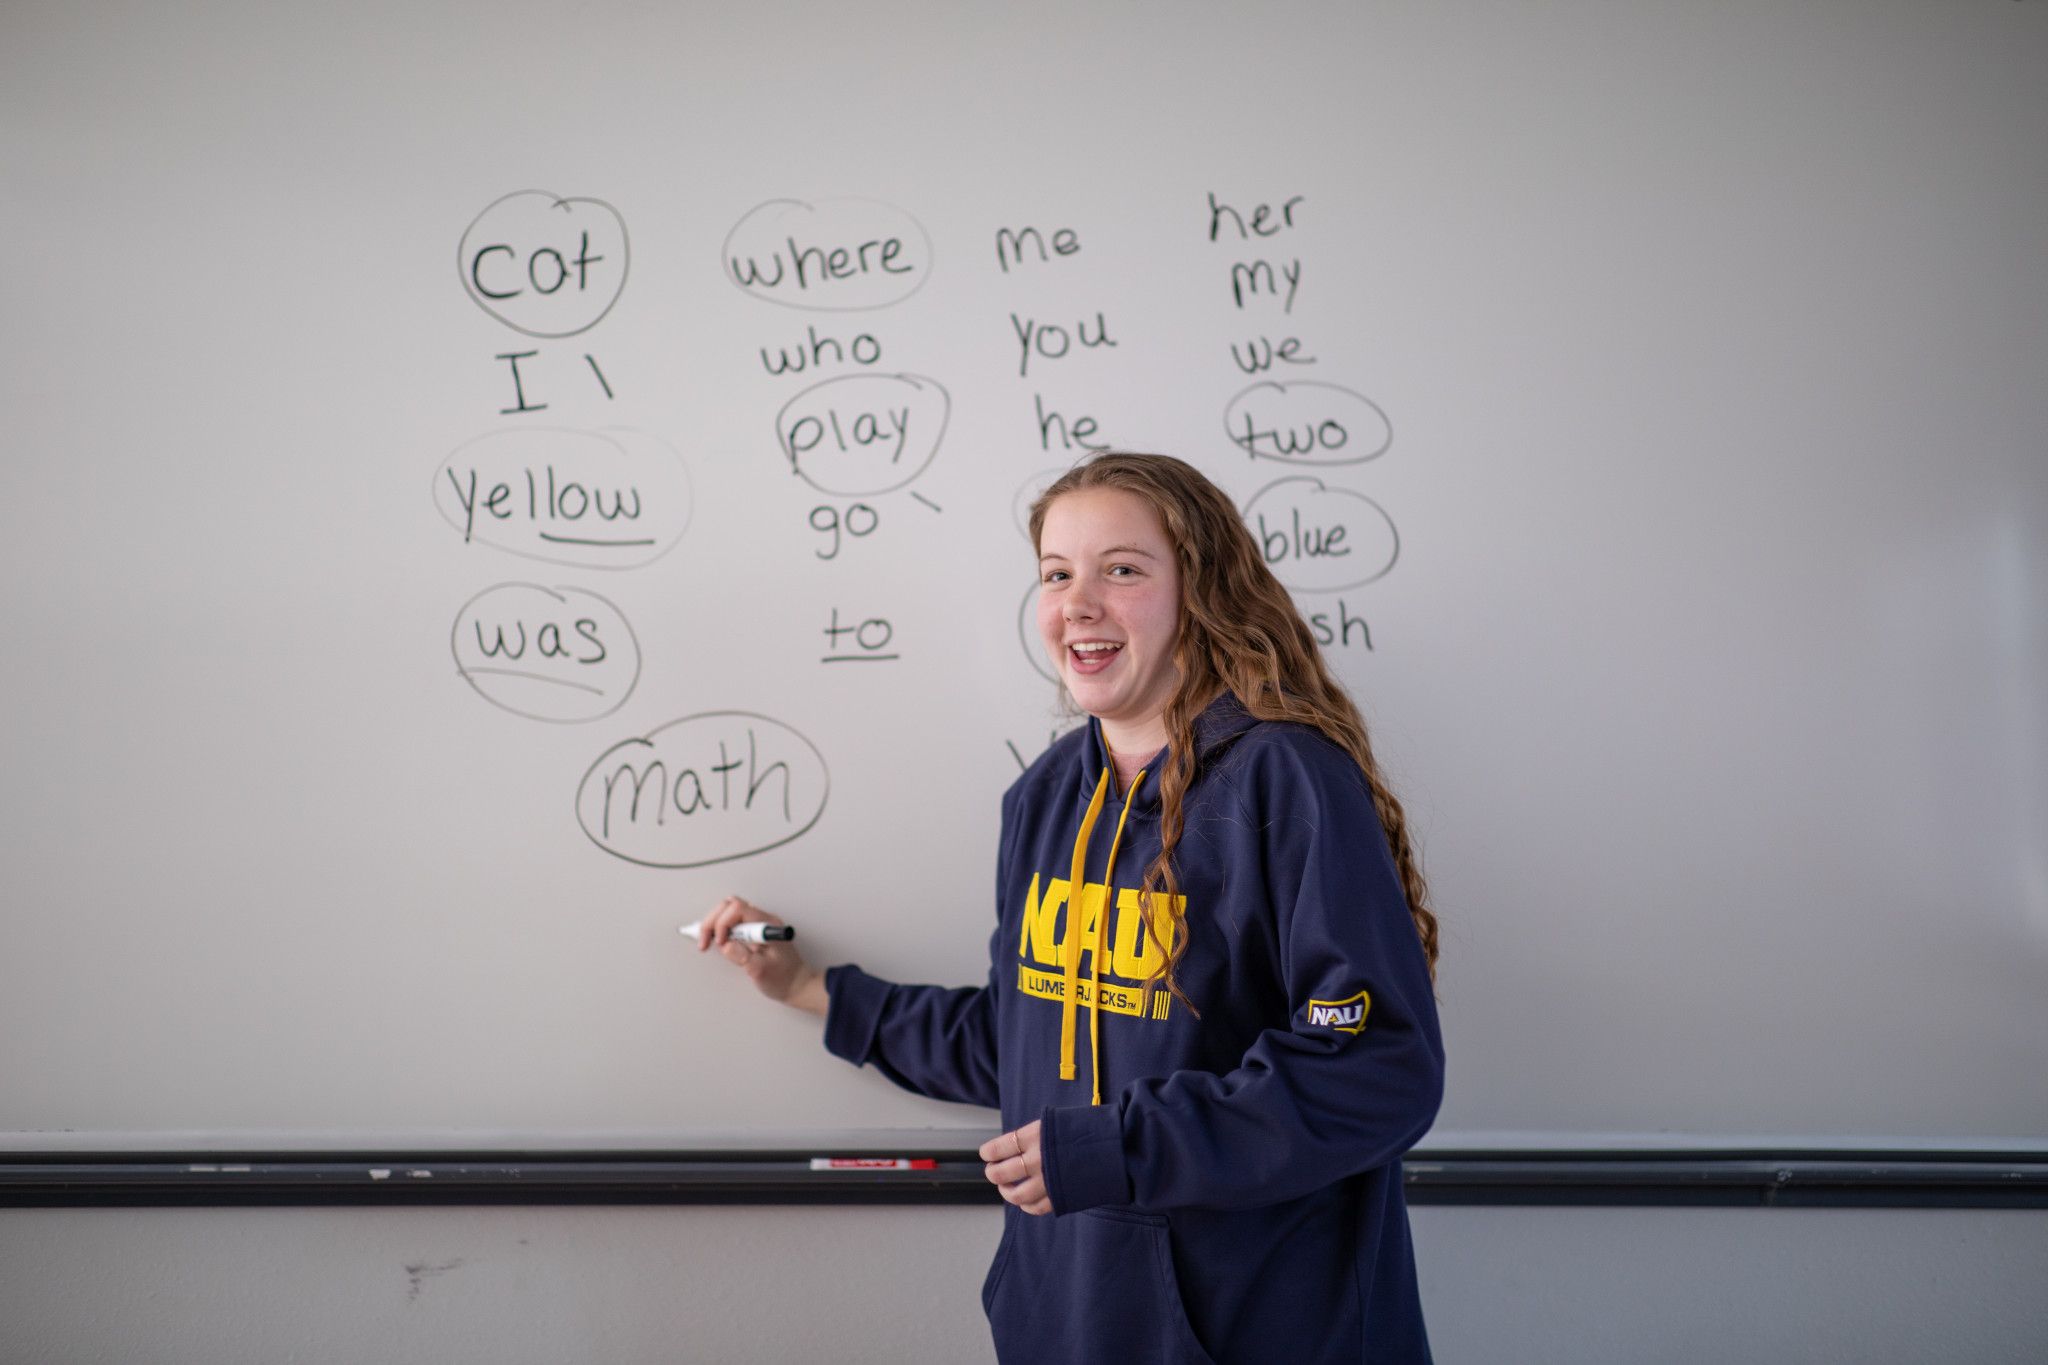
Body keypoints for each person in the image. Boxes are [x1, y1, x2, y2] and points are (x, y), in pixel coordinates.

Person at [695, 451, 1444, 1364]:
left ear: (1200, 588)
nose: (1078, 603)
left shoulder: (1286, 781)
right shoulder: (1044, 799)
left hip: (1259, 1331)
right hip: (1066, 1324)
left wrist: (1121, 1145)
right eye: (1057, 574)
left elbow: (1378, 1066)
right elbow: (1020, 1043)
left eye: (1121, 569)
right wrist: (807, 986)